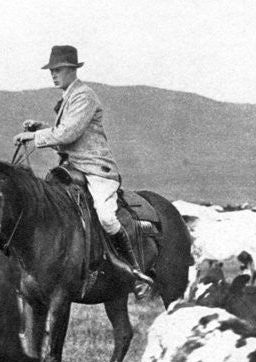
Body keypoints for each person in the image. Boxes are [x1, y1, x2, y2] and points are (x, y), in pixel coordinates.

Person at [13, 45, 153, 295]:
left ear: (71, 70)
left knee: (107, 216)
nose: (53, 75)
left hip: (97, 170)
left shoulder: (84, 95)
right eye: (52, 71)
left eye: (58, 70)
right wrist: (41, 126)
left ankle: (135, 272)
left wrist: (34, 135)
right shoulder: (70, 95)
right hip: (74, 168)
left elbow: (69, 133)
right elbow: (68, 130)